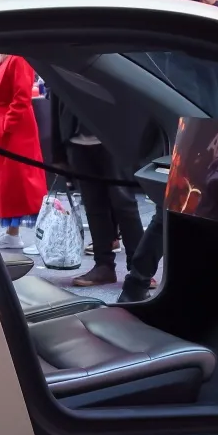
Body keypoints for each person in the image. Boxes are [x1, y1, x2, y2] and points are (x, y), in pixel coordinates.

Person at [50, 99, 148, 291]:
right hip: (75, 138)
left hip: (114, 137)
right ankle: (103, 266)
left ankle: (140, 269)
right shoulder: (65, 67)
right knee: (94, 205)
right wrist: (58, 154)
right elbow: (56, 99)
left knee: (123, 202)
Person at [0, 52, 46, 246]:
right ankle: (12, 232)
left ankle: (34, 236)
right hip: (5, 126)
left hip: (16, 130)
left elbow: (22, 96)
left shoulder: (18, 58)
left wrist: (7, 124)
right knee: (9, 181)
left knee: (22, 180)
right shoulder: (7, 58)